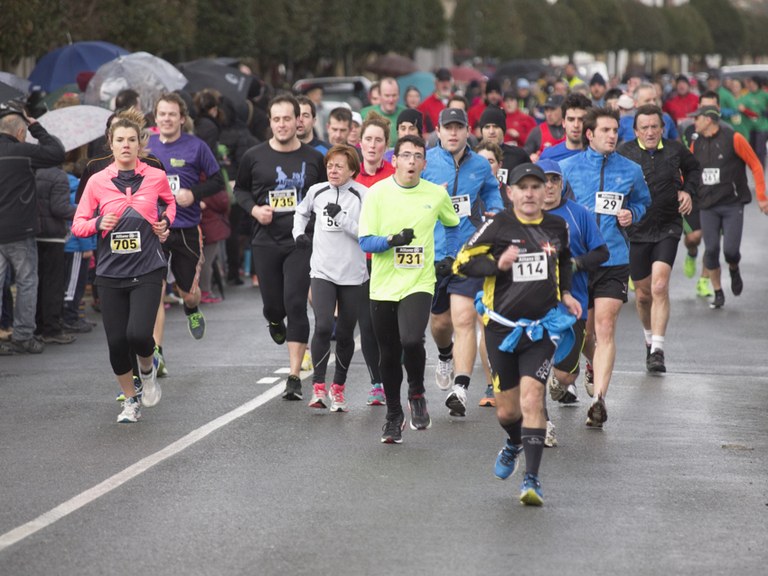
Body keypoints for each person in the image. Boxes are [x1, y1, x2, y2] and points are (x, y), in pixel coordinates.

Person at [454, 162, 581, 506]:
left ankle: (532, 479)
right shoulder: (497, 225)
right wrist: (498, 265)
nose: (529, 193)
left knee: (532, 398)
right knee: (508, 412)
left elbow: (565, 260)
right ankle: (513, 442)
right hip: (501, 329)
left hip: (540, 329)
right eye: (522, 187)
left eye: (536, 187)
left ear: (546, 192)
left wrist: (566, 293)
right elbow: (461, 263)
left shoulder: (557, 226)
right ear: (509, 193)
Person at [71, 115, 176, 422]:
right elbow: (77, 225)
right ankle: (130, 400)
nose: (126, 145)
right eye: (120, 140)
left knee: (139, 334)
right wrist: (97, 223)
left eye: (132, 140)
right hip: (109, 271)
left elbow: (170, 204)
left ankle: (148, 368)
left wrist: (165, 222)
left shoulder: (155, 175)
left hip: (147, 267)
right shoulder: (97, 181)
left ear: (140, 143)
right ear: (111, 144)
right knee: (117, 341)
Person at [358, 134, 460, 443]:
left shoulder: (435, 194)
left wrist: (449, 257)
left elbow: (452, 225)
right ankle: (393, 416)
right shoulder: (377, 194)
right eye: (406, 155)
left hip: (419, 281)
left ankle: (416, 391)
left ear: (425, 164)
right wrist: (391, 241)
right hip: (383, 285)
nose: (412, 161)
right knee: (388, 354)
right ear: (395, 160)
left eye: (418, 156)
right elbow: (365, 241)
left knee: (412, 339)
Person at [561, 107, 651, 427]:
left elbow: (642, 201)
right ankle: (585, 368)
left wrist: (632, 214)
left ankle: (599, 399)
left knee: (605, 326)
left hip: (614, 258)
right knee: (584, 330)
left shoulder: (631, 169)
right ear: (590, 134)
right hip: (580, 262)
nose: (613, 136)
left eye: (615, 130)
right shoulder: (566, 168)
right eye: (606, 130)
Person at [234, 94, 326, 400]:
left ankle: (294, 376)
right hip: (265, 241)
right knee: (274, 306)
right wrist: (254, 210)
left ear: (298, 120)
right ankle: (274, 319)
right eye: (277, 119)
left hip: (301, 242)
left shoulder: (314, 158)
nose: (283, 124)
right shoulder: (254, 156)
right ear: (270, 122)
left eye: (289, 118)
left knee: (296, 303)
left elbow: (326, 194)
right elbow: (241, 190)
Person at [423, 108, 504, 417]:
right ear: (439, 131)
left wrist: (493, 217)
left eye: (459, 128)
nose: (453, 133)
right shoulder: (427, 163)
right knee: (441, 323)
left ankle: (460, 386)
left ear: (468, 131)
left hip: (468, 252)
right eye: (448, 128)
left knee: (464, 318)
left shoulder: (481, 166)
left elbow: (493, 197)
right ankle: (445, 354)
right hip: (435, 253)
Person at [617, 105, 701, 372]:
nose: (650, 132)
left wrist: (688, 191)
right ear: (635, 131)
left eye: (655, 126)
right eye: (645, 127)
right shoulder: (624, 153)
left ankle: (658, 350)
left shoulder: (675, 150)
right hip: (637, 230)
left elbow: (695, 170)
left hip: (668, 226)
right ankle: (648, 338)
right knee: (642, 296)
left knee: (659, 286)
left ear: (663, 128)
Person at [148, 93, 224, 374]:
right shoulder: (146, 145)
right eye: (162, 114)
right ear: (155, 118)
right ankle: (157, 354)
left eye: (172, 114)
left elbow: (218, 181)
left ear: (182, 118)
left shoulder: (196, 147)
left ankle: (192, 309)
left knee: (188, 293)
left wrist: (194, 194)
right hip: (155, 229)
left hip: (186, 229)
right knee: (153, 291)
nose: (167, 119)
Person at [536, 159, 607, 447]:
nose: (550, 186)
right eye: (544, 180)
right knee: (534, 371)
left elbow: (601, 252)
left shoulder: (579, 214)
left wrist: (576, 263)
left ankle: (561, 380)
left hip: (572, 306)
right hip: (534, 308)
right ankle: (543, 424)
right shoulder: (523, 216)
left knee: (565, 374)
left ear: (563, 183)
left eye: (555, 180)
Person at [294, 145, 368, 412]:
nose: (333, 170)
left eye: (339, 166)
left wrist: (343, 218)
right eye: (330, 165)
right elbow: (300, 212)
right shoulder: (317, 191)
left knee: (346, 333)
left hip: (352, 274)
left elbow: (367, 234)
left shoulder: (363, 195)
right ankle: (318, 388)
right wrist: (298, 235)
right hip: (322, 270)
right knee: (324, 325)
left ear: (352, 169)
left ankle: (338, 388)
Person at [0, 102, 65, 356]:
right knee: (27, 282)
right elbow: (57, 152)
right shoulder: (24, 152)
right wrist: (35, 125)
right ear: (20, 132)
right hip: (20, 230)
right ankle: (23, 336)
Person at [689, 105, 768, 309]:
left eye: (697, 118)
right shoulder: (695, 143)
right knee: (711, 249)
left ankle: (734, 268)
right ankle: (718, 292)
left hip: (732, 203)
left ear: (708, 120)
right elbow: (689, 170)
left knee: (730, 251)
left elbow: (756, 165)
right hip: (707, 204)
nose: (694, 122)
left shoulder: (734, 138)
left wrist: (761, 196)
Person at [355, 113, 394, 406]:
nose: (372, 145)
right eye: (367, 139)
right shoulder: (349, 176)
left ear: (385, 145)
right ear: (359, 142)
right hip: (360, 260)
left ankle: (397, 374)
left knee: (392, 327)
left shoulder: (396, 174)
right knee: (367, 324)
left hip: (391, 259)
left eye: (378, 140)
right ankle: (377, 383)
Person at [34, 166, 77, 345]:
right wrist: (81, 211)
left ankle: (37, 326)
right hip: (53, 236)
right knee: (53, 284)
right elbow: (60, 208)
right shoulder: (59, 176)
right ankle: (51, 329)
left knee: (36, 283)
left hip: (33, 233)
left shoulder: (32, 170)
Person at [476, 105, 529, 192]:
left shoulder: (519, 156)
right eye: (487, 127)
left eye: (496, 127)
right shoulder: (472, 156)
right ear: (481, 131)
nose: (491, 131)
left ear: (503, 130)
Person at [540, 93, 592, 162]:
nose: (576, 125)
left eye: (581, 120)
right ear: (563, 123)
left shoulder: (598, 155)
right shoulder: (548, 156)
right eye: (571, 119)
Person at [361, 77, 406, 145]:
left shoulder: (406, 114)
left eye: (394, 95)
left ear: (399, 95)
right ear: (379, 95)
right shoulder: (365, 114)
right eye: (387, 96)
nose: (391, 100)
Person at [524, 95, 565, 162]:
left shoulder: (571, 129)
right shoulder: (537, 132)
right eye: (546, 110)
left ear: (562, 109)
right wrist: (531, 157)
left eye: (552, 110)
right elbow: (525, 155)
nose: (548, 114)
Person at [418, 68, 453, 132]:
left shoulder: (457, 100)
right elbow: (419, 123)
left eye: (447, 81)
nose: (445, 84)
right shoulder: (426, 103)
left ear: (451, 83)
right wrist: (424, 134)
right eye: (441, 81)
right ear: (436, 83)